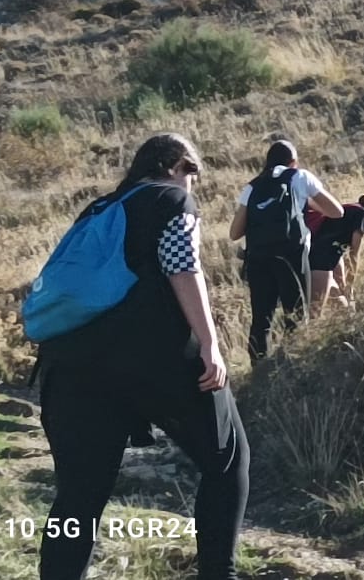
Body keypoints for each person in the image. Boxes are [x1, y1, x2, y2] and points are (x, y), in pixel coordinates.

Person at [35, 133, 247, 580]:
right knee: (227, 459)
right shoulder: (171, 200)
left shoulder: (99, 208)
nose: (193, 184)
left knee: (78, 496)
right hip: (154, 356)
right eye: (193, 172)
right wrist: (209, 342)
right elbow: (182, 266)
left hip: (69, 362)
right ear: (174, 164)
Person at [228, 140, 343, 361]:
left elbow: (234, 233)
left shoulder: (252, 186)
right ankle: (294, 366)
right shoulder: (300, 177)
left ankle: (257, 371)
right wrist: (308, 203)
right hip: (292, 256)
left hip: (258, 259)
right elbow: (337, 212)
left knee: (261, 318)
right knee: (296, 315)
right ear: (294, 162)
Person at [307, 195, 364, 310]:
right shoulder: (362, 215)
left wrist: (344, 284)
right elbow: (354, 254)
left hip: (316, 260)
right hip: (318, 263)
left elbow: (335, 246)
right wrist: (350, 287)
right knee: (316, 310)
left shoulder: (351, 212)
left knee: (341, 304)